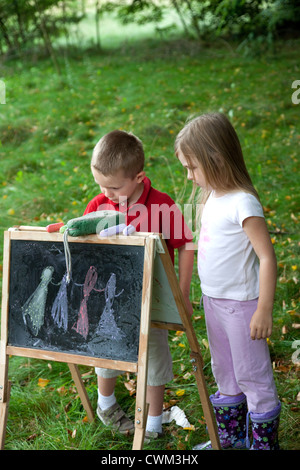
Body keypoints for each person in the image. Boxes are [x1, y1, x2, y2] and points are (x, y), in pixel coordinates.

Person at [175, 112, 281, 450]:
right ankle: (231, 439)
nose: (189, 177)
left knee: (252, 374)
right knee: (224, 369)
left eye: (192, 168)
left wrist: (263, 309)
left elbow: (266, 257)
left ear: (217, 159)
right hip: (214, 303)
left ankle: (263, 444)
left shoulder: (243, 203)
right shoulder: (211, 196)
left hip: (242, 306)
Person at [84, 129, 194, 438]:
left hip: (152, 301)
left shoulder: (162, 205)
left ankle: (153, 425)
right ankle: (106, 405)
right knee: (106, 350)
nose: (106, 193)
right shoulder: (98, 206)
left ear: (139, 177)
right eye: (101, 185)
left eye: (114, 187)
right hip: (110, 301)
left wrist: (182, 293)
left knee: (155, 358)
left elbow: (186, 245)